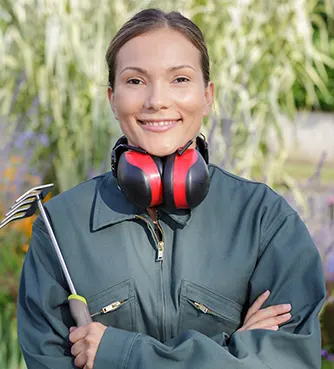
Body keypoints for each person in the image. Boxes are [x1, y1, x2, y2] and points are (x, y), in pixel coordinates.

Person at [17, 8, 326, 369]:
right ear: (112, 98)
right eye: (135, 81)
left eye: (180, 79)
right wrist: (233, 352)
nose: (157, 100)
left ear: (208, 96)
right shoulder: (61, 227)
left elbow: (291, 362)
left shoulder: (265, 220)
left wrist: (122, 354)